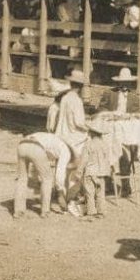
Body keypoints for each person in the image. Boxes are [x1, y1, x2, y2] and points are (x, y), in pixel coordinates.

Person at [54, 70, 90, 216]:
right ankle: (71, 198)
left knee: (62, 167)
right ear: (80, 86)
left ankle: (60, 192)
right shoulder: (76, 100)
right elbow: (79, 122)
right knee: (77, 170)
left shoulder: (65, 98)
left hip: (61, 136)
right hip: (74, 138)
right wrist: (90, 125)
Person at [13, 132, 71, 219]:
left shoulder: (54, 140)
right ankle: (45, 211)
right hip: (36, 146)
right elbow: (60, 173)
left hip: (22, 143)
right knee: (47, 179)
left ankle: (18, 211)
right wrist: (60, 192)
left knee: (22, 179)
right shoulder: (66, 151)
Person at [76, 120, 111, 218]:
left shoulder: (88, 145)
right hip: (102, 172)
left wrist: (79, 171)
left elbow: (84, 160)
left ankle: (91, 212)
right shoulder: (105, 145)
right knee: (100, 193)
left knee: (89, 193)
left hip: (91, 172)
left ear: (91, 133)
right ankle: (101, 212)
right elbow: (107, 159)